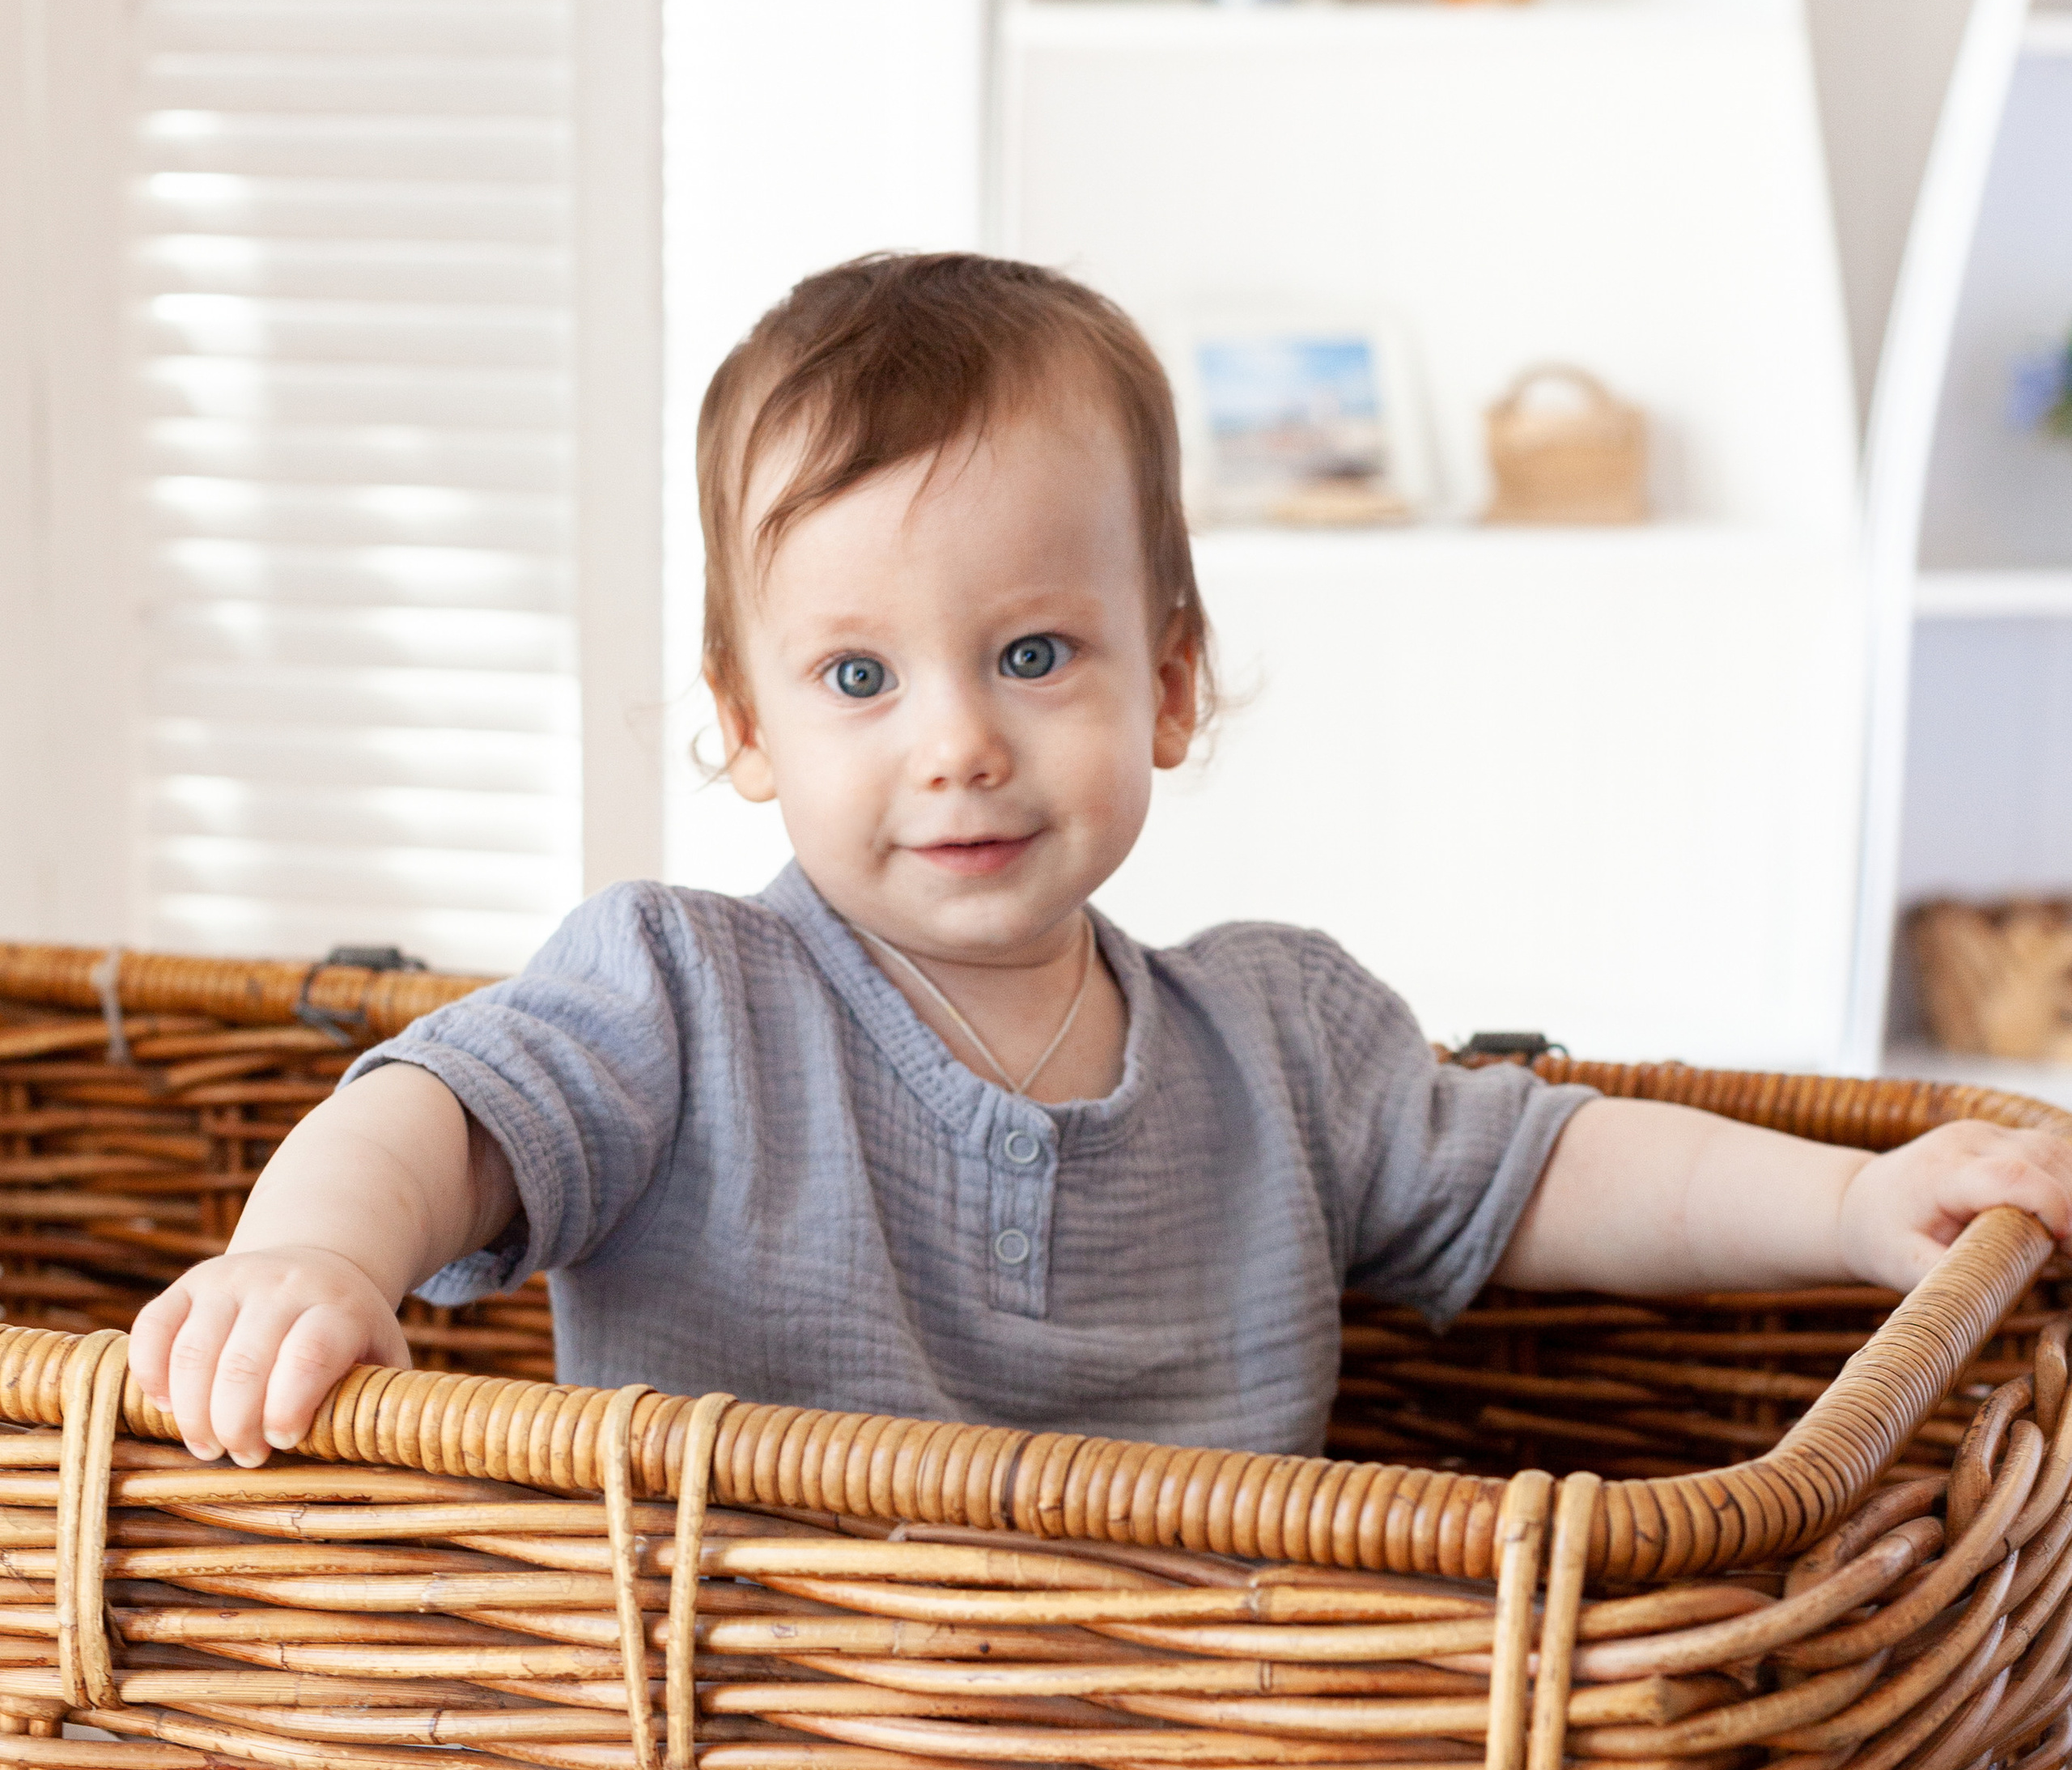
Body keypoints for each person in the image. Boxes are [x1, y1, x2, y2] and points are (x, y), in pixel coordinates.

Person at [134, 253, 2072, 1470]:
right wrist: (310, 1258)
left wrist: (1849, 1205)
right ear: (745, 724)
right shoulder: (681, 996)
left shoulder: (1273, 1043)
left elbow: (1556, 1161)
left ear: (1167, 682)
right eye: (858, 677)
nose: (957, 742)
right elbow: (440, 1112)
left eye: (1033, 655)